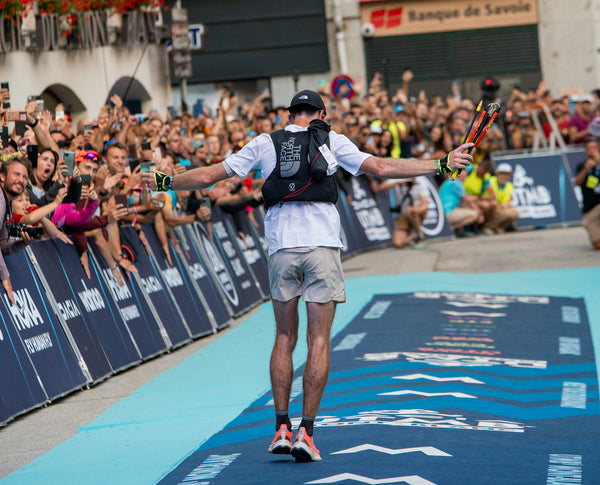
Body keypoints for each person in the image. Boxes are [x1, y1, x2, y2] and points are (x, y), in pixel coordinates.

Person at [143, 88, 472, 462]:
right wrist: (441, 164)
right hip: (321, 249)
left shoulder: (265, 142)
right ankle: (306, 433)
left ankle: (280, 427)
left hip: (281, 249)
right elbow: (381, 167)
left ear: (290, 114)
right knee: (319, 340)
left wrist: (163, 182)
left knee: (284, 336)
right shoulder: (331, 139)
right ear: (321, 113)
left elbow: (207, 177)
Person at [377, 177, 429, 248]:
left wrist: (416, 210)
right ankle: (416, 235)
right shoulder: (398, 179)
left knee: (410, 210)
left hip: (417, 214)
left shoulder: (420, 184)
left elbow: (425, 205)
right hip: (403, 215)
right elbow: (381, 187)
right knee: (398, 244)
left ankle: (419, 233)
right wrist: (399, 182)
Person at [574, 139, 600, 250]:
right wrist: (586, 169)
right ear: (585, 151)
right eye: (589, 148)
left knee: (587, 221)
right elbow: (577, 182)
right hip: (589, 207)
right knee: (597, 245)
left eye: (594, 147)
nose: (592, 150)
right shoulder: (582, 166)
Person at [483, 163, 520, 233]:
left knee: (515, 213)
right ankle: (487, 227)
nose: (505, 176)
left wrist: (506, 204)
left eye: (507, 174)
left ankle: (498, 227)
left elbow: (510, 199)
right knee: (501, 212)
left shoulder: (509, 185)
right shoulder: (490, 181)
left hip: (501, 206)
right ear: (497, 174)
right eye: (503, 174)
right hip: (491, 205)